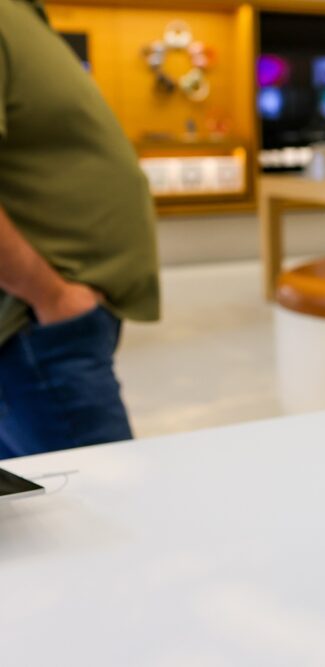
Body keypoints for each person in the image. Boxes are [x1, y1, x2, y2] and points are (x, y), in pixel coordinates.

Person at [0, 0, 159, 458]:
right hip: (36, 328)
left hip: (46, 325)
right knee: (105, 497)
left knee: (41, 501)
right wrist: (50, 295)